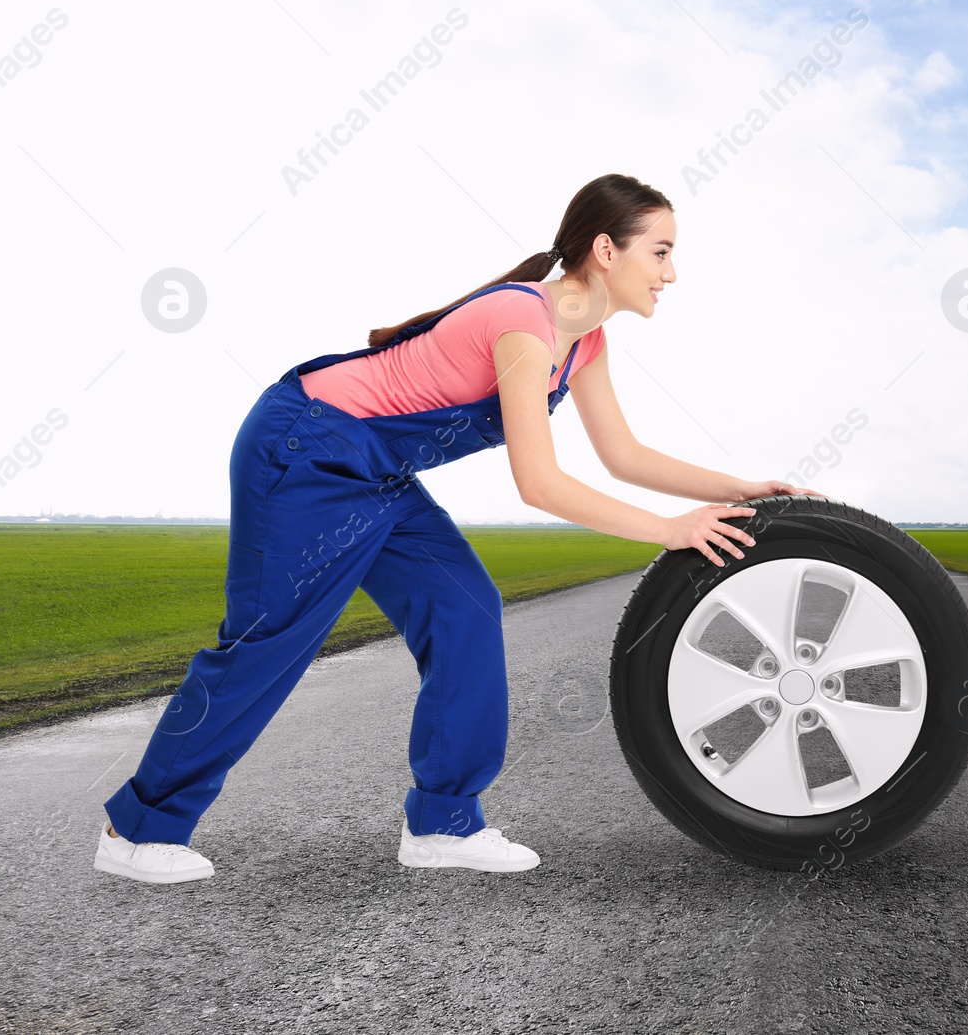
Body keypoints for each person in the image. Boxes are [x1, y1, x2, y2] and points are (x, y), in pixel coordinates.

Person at [93, 173, 822, 884]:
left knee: (464, 606)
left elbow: (621, 454)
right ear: (606, 250)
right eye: (660, 251)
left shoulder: (586, 340)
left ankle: (443, 823)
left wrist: (741, 486)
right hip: (306, 448)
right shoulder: (525, 323)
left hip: (374, 469)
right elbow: (539, 483)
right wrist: (669, 529)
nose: (672, 272)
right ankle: (140, 827)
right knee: (267, 639)